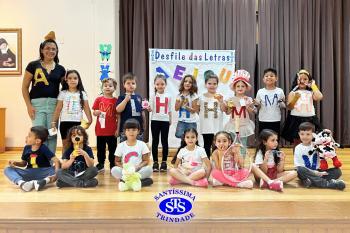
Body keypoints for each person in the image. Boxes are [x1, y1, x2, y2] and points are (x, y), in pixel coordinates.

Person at [21, 31, 66, 153]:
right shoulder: (33, 65)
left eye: (53, 49)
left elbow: (66, 89)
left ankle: (49, 162)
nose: (51, 51)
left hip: (53, 105)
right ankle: (37, 161)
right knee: (38, 133)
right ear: (42, 50)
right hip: (37, 104)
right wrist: (28, 106)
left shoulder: (60, 69)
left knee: (52, 133)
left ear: (56, 52)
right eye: (47, 48)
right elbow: (24, 87)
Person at [4, 126, 60, 191]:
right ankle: (22, 183)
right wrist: (15, 163)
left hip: (44, 172)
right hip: (29, 172)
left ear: (37, 141)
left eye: (29, 136)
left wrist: (56, 173)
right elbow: (23, 163)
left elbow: (56, 161)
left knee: (60, 165)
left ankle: (43, 181)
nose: (26, 137)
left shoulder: (43, 148)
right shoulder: (26, 148)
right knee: (7, 169)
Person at [294, 122, 345, 190]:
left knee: (337, 171)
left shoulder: (318, 145)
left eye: (308, 134)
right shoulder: (298, 148)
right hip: (306, 172)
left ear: (313, 135)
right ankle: (327, 184)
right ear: (299, 134)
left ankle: (310, 181)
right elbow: (298, 166)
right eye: (302, 134)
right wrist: (315, 173)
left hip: (318, 170)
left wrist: (329, 136)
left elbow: (333, 148)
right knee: (299, 169)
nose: (305, 137)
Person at [51, 70, 92, 150]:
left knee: (78, 144)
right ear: (66, 80)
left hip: (78, 123)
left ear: (78, 80)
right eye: (70, 78)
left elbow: (86, 108)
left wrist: (90, 119)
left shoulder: (82, 93)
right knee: (66, 144)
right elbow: (58, 109)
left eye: (75, 78)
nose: (72, 80)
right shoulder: (63, 93)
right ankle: (65, 161)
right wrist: (53, 122)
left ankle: (78, 161)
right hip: (65, 123)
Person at [282, 69, 323, 146]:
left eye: (305, 79)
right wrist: (295, 98)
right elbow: (289, 107)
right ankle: (297, 157)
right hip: (295, 119)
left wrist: (313, 86)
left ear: (309, 81)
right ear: (296, 80)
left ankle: (310, 156)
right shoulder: (293, 92)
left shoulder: (311, 92)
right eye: (300, 79)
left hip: (310, 119)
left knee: (311, 140)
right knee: (297, 141)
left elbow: (319, 97)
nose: (302, 81)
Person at [111, 119, 153, 187]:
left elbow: (146, 160)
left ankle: (127, 181)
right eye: (128, 130)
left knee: (149, 169)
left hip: (138, 170)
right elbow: (117, 161)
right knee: (114, 170)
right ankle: (137, 181)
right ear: (124, 132)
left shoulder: (142, 144)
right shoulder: (120, 145)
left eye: (134, 130)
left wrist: (138, 167)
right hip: (126, 172)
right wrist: (124, 169)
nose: (131, 132)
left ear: (138, 131)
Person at [222, 70, 256, 155]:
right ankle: (234, 162)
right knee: (233, 144)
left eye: (242, 86)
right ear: (234, 88)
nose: (240, 88)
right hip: (233, 124)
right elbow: (227, 112)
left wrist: (247, 106)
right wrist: (228, 106)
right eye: (238, 86)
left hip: (244, 125)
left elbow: (253, 112)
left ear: (246, 88)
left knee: (243, 145)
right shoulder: (230, 99)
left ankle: (241, 163)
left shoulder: (248, 99)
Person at [172, 74, 199, 164]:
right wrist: (181, 101)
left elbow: (195, 110)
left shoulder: (194, 96)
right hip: (182, 121)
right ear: (183, 83)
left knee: (192, 140)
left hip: (191, 121)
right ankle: (182, 157)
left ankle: (185, 158)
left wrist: (186, 106)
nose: (187, 83)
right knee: (182, 138)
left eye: (190, 82)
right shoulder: (179, 95)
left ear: (192, 85)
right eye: (186, 81)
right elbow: (176, 108)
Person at [92, 78, 118, 172]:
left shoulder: (116, 100)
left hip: (111, 131)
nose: (107, 87)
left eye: (110, 86)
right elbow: (94, 112)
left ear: (114, 88)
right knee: (100, 149)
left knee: (113, 149)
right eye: (105, 86)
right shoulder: (98, 99)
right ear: (102, 88)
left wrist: (117, 129)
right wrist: (96, 112)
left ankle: (112, 164)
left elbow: (118, 116)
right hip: (100, 130)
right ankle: (101, 164)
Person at [148, 74, 172, 172]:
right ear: (154, 85)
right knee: (155, 141)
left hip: (165, 120)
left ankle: (164, 162)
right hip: (155, 120)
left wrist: (170, 119)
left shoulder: (168, 96)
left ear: (165, 84)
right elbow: (150, 109)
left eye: (162, 84)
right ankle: (155, 162)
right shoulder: (153, 96)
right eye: (157, 84)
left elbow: (169, 109)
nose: (160, 86)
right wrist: (148, 108)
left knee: (164, 141)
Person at [198, 70, 224, 158]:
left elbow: (224, 109)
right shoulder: (201, 97)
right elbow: (198, 110)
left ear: (217, 84)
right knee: (207, 145)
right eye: (209, 83)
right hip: (206, 126)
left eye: (214, 83)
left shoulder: (220, 96)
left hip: (217, 126)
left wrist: (221, 101)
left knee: (216, 146)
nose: (212, 85)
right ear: (205, 84)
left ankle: (216, 164)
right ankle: (207, 164)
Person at [116, 73, 146, 142]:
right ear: (124, 85)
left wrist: (144, 123)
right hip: (125, 129)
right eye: (128, 83)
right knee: (124, 147)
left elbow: (142, 112)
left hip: (138, 128)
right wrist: (125, 100)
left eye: (133, 83)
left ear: (136, 85)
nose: (131, 85)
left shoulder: (139, 97)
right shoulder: (121, 97)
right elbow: (118, 110)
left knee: (138, 147)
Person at [255, 68, 285, 136]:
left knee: (275, 138)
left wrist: (282, 103)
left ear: (276, 78)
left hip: (276, 119)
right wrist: (257, 104)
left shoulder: (280, 91)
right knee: (263, 139)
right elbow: (258, 107)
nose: (269, 77)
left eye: (271, 76)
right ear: (263, 79)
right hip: (263, 119)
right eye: (266, 76)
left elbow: (283, 105)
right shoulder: (260, 91)